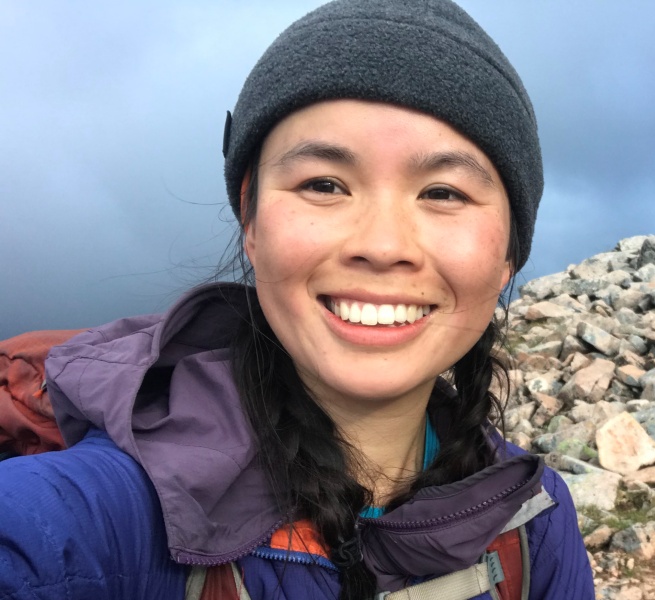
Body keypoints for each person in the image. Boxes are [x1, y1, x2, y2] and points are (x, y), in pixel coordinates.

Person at [0, 1, 595, 598]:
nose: (383, 246)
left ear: (507, 257)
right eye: (324, 184)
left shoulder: (532, 520)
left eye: (443, 191)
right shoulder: (103, 519)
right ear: (251, 224)